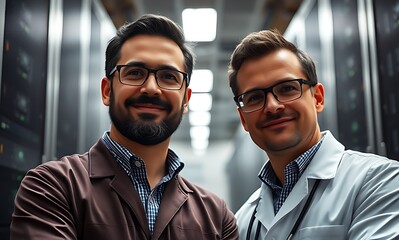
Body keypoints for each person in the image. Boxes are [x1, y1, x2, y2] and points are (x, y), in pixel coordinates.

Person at [10, 14, 238, 239]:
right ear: (107, 90)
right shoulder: (52, 188)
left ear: (186, 99)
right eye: (135, 73)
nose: (151, 88)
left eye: (168, 76)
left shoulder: (217, 217)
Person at [227, 29, 399, 239]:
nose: (272, 106)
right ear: (243, 119)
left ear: (318, 98)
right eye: (255, 98)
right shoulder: (243, 220)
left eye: (287, 88)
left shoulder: (381, 183)